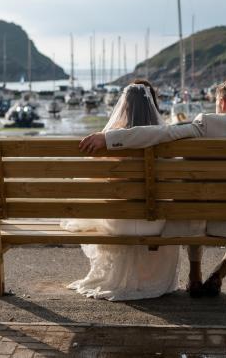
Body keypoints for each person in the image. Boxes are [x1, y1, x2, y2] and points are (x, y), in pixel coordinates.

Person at [79, 76, 226, 298]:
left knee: (193, 199)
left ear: (223, 103)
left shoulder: (206, 124)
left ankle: (195, 274)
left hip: (201, 221)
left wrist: (109, 138)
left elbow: (162, 133)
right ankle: (221, 270)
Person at [61, 81, 180, 301]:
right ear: (152, 103)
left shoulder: (108, 140)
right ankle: (148, 278)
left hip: (120, 222)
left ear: (123, 105)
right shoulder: (166, 138)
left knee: (98, 212)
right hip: (155, 223)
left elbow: (90, 183)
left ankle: (121, 276)